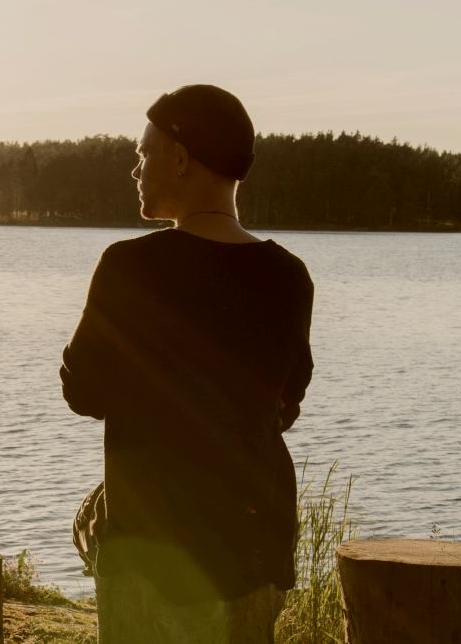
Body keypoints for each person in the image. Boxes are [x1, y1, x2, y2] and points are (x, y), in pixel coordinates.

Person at [61, 84, 313, 642]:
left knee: (95, 522)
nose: (136, 170)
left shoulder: (129, 268)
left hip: (154, 545)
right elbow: (284, 404)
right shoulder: (289, 275)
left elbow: (84, 393)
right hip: (254, 542)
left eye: (142, 154)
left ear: (179, 157)